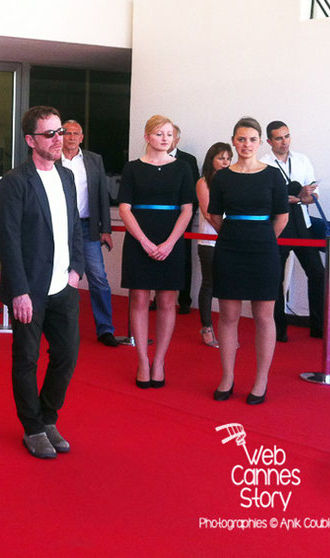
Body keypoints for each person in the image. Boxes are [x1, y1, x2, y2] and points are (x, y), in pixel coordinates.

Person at [0, 106, 85, 459]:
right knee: (27, 359)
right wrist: (19, 290)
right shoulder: (15, 182)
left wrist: (76, 270)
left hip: (64, 285)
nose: (58, 139)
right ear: (31, 140)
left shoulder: (65, 177)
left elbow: (75, 228)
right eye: (50, 134)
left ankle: (48, 417)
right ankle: (32, 427)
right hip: (29, 290)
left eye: (60, 131)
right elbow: (9, 239)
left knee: (67, 355)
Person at [208, 117, 288, 405]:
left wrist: (263, 238)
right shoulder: (223, 177)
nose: (246, 144)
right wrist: (235, 235)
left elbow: (282, 216)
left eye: (252, 139)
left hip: (264, 251)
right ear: (233, 140)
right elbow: (215, 216)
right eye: (241, 139)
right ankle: (227, 377)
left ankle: (260, 380)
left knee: (264, 317)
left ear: (260, 142)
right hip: (230, 249)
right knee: (228, 316)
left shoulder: (273, 176)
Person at [118, 115, 193, 390]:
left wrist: (171, 243)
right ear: (147, 136)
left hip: (171, 238)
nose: (165, 138)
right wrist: (145, 242)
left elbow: (187, 208)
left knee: (167, 301)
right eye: (159, 133)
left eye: (169, 134)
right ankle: (142, 359)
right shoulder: (132, 168)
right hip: (140, 237)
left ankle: (159, 360)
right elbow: (124, 208)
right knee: (138, 299)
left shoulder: (183, 168)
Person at [259, 121, 330, 342]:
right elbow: (263, 197)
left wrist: (306, 196)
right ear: (269, 141)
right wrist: (292, 199)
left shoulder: (302, 160)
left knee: (318, 273)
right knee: (275, 277)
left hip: (302, 223)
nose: (284, 142)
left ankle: (320, 327)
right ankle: (278, 328)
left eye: (287, 136)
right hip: (277, 223)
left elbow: (314, 193)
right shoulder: (263, 164)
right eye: (278, 138)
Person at [60, 119, 118, 347]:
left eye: (76, 133)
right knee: (58, 277)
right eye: (67, 133)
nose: (71, 137)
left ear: (82, 137)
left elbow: (102, 195)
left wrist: (106, 229)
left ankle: (105, 329)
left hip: (87, 228)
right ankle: (58, 327)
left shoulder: (94, 160)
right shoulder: (53, 159)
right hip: (60, 227)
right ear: (60, 136)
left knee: (99, 278)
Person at [195, 142, 232, 348]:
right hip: (210, 240)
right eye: (221, 158)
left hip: (229, 241)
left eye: (228, 158)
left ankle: (227, 332)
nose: (225, 162)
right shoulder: (203, 182)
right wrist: (227, 232)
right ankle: (207, 327)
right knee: (209, 284)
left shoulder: (233, 180)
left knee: (228, 287)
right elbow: (209, 213)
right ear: (212, 160)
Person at [168, 124, 200, 315]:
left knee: (184, 258)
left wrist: (186, 216)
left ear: (177, 139)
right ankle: (157, 296)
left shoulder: (188, 160)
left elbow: (194, 192)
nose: (165, 138)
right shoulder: (150, 160)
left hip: (183, 217)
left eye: (170, 135)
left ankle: (184, 299)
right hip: (160, 219)